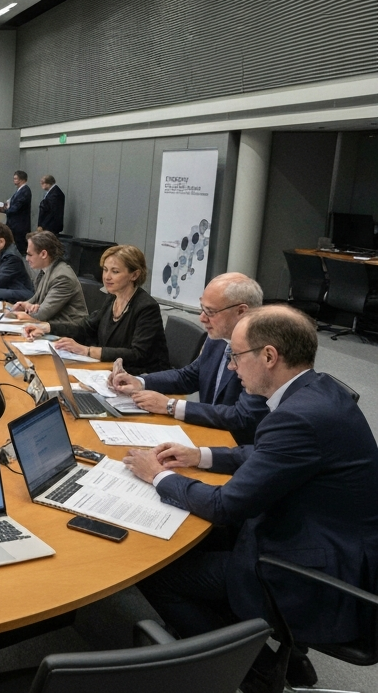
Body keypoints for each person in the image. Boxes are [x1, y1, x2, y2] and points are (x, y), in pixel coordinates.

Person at [121, 306, 378, 662]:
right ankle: (261, 642)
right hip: (330, 538)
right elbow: (268, 452)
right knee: (199, 543)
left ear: (269, 356)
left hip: (314, 572)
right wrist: (200, 456)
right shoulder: (316, 391)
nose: (230, 366)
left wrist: (157, 475)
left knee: (155, 573)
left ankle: (250, 668)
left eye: (236, 356)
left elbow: (226, 506)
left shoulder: (298, 416)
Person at [108, 273, 269, 444]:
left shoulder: (261, 353)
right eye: (202, 308)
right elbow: (190, 375)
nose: (202, 317)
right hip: (207, 430)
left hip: (237, 446)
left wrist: (171, 406)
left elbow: (241, 416)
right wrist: (140, 382)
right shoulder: (218, 337)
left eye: (210, 312)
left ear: (241, 311)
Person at [24, 244, 169, 372]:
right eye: (105, 270)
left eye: (115, 271)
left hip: (143, 377)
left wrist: (87, 351)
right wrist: (45, 327)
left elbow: (138, 354)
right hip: (110, 370)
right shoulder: (113, 297)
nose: (107, 277)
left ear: (134, 275)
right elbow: (86, 327)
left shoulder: (146, 307)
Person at [7, 232, 88, 325]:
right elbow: (36, 300)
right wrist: (23, 305)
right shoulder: (46, 271)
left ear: (43, 254)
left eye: (30, 254)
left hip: (67, 333)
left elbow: (41, 315)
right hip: (51, 326)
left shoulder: (62, 277)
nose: (26, 259)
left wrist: (18, 314)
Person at [0, 170, 32, 254]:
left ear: (21, 179)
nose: (14, 180)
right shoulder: (19, 191)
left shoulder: (25, 191)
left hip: (19, 225)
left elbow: (16, 207)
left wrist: (3, 210)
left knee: (20, 247)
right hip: (14, 224)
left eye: (15, 178)